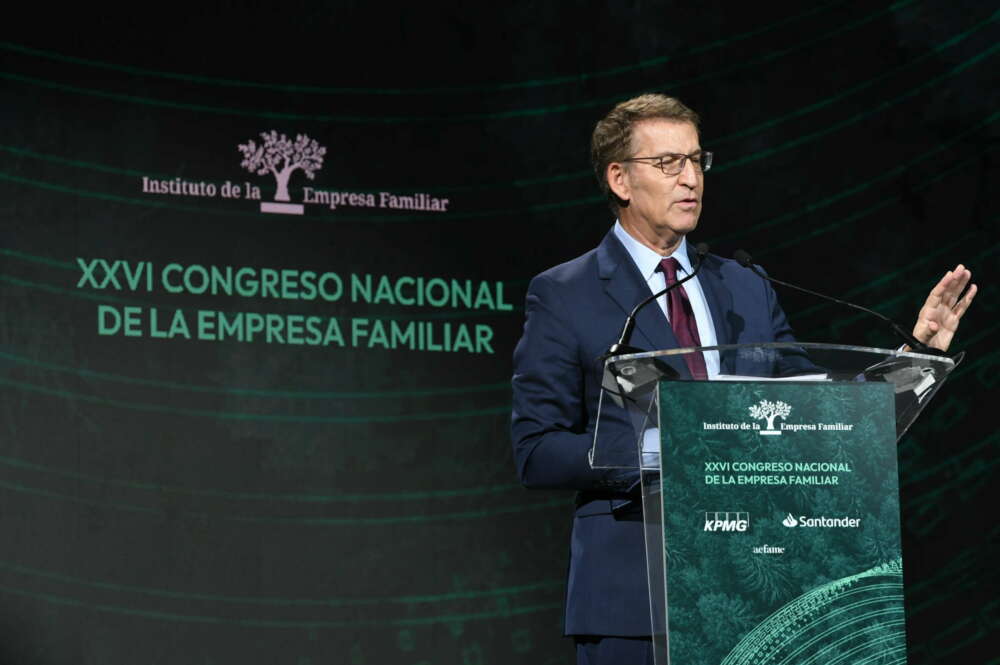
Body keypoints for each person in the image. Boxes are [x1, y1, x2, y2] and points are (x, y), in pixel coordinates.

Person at [510, 93, 977, 665]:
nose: (690, 179)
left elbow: (816, 415)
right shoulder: (564, 293)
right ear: (620, 179)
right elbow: (537, 450)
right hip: (638, 601)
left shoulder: (745, 284)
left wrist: (915, 352)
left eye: (697, 161)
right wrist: (674, 450)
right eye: (668, 164)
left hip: (759, 593)